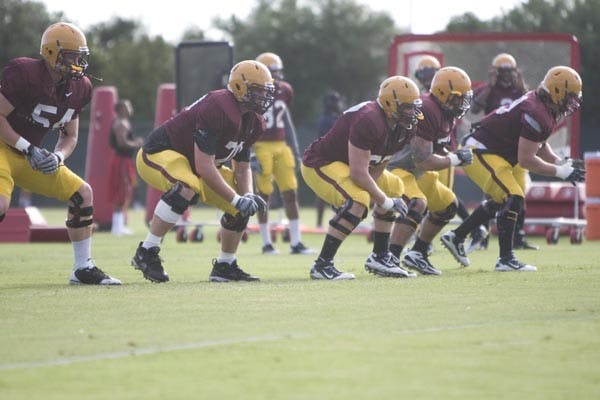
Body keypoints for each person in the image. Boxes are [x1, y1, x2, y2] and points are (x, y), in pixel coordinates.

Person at [131, 60, 275, 283]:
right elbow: (204, 166)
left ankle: (225, 266)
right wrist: (236, 199)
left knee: (241, 208)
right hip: (158, 153)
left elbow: (242, 166)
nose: (262, 98)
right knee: (188, 186)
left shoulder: (254, 123)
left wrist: (245, 195)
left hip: (197, 166)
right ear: (239, 87)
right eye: (257, 91)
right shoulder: (219, 106)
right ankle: (147, 251)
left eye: (264, 92)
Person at [0, 22, 121, 285]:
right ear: (52, 53)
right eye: (72, 56)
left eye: (80, 56)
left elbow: (71, 135)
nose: (78, 62)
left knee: (82, 193)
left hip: (28, 155)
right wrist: (28, 147)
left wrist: (57, 157)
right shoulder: (24, 72)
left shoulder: (81, 87)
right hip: (3, 148)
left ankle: (82, 268)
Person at [441, 66, 585, 272]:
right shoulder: (538, 111)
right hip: (480, 151)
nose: (572, 102)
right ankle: (506, 259)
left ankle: (457, 236)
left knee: (502, 199)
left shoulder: (543, 106)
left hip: (493, 152)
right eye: (570, 96)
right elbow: (526, 160)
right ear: (557, 91)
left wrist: (559, 162)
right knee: (513, 195)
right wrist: (561, 172)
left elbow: (539, 143)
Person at [301, 76, 422, 280]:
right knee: (358, 200)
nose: (412, 112)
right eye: (406, 107)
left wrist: (382, 196)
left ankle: (380, 256)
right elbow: (358, 173)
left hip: (352, 165)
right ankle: (322, 265)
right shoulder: (370, 119)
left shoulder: (405, 127)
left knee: (394, 185)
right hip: (321, 163)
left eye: (414, 106)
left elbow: (380, 163)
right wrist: (382, 201)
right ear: (390, 104)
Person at [388, 67, 474, 276]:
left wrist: (453, 153)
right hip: (396, 167)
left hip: (414, 170)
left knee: (447, 206)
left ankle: (417, 253)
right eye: (458, 98)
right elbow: (423, 160)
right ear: (444, 94)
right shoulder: (427, 110)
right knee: (417, 204)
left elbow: (437, 148)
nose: (462, 102)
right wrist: (454, 159)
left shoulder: (445, 112)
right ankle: (388, 258)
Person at [414, 55, 484, 251]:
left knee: (443, 198)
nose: (427, 78)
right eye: (423, 74)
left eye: (431, 73)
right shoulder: (428, 101)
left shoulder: (445, 100)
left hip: (441, 148)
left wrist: (451, 155)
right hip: (425, 153)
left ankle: (424, 243)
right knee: (433, 197)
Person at [251, 52, 314, 255]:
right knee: (263, 195)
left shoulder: (285, 90)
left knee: (290, 192)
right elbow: (245, 124)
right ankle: (266, 243)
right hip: (260, 145)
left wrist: (294, 150)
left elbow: (286, 121)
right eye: (273, 72)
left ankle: (296, 242)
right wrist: (250, 152)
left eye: (278, 72)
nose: (277, 77)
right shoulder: (252, 93)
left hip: (280, 144)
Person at [469, 53, 534, 251]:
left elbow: (530, 102)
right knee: (493, 194)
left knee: (518, 191)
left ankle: (518, 237)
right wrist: (490, 85)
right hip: (494, 147)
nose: (506, 75)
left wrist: (521, 82)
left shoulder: (520, 90)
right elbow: (473, 109)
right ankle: (483, 237)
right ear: (495, 72)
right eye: (502, 71)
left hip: (515, 148)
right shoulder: (488, 89)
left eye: (509, 71)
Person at [108, 99, 143, 236]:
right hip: (121, 161)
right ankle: (117, 228)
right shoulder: (121, 123)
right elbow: (122, 143)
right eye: (127, 106)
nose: (130, 108)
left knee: (126, 192)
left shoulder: (124, 122)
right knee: (121, 192)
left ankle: (119, 226)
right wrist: (136, 143)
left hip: (125, 161)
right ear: (121, 109)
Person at [315, 90, 343, 228]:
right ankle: (324, 223)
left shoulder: (331, 117)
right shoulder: (328, 120)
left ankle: (325, 222)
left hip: (333, 158)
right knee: (329, 192)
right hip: (329, 158)